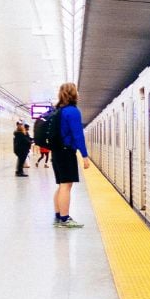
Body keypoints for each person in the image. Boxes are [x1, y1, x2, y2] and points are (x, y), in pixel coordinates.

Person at [50, 83, 91, 229]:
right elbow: (77, 134)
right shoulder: (72, 111)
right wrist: (85, 155)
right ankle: (65, 219)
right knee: (66, 186)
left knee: (61, 185)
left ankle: (58, 217)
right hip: (66, 152)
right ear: (73, 94)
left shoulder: (58, 111)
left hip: (56, 152)